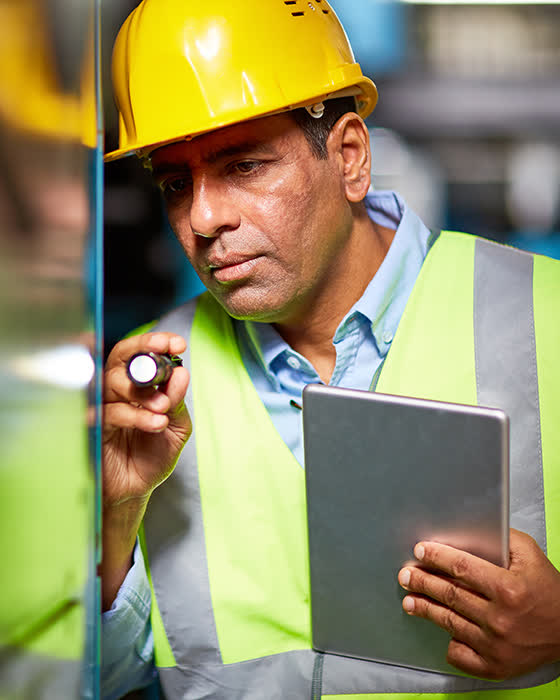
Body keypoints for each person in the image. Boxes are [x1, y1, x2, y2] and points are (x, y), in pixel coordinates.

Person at [101, 1, 560, 698]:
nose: (201, 218)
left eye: (245, 166)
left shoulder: (544, 313)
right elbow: (116, 676)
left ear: (349, 157)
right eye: (174, 183)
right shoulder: (149, 384)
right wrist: (116, 518)